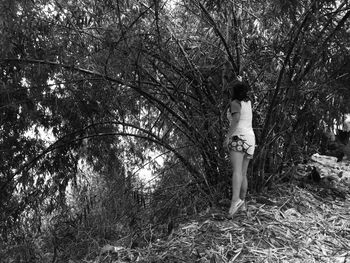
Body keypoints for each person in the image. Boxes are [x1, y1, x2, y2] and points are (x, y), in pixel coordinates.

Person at [224, 80, 255, 217]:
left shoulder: (235, 103)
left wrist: (228, 137)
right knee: (243, 173)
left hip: (238, 138)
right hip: (250, 139)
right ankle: (242, 204)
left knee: (236, 172)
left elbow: (236, 120)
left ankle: (235, 200)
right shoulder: (248, 103)